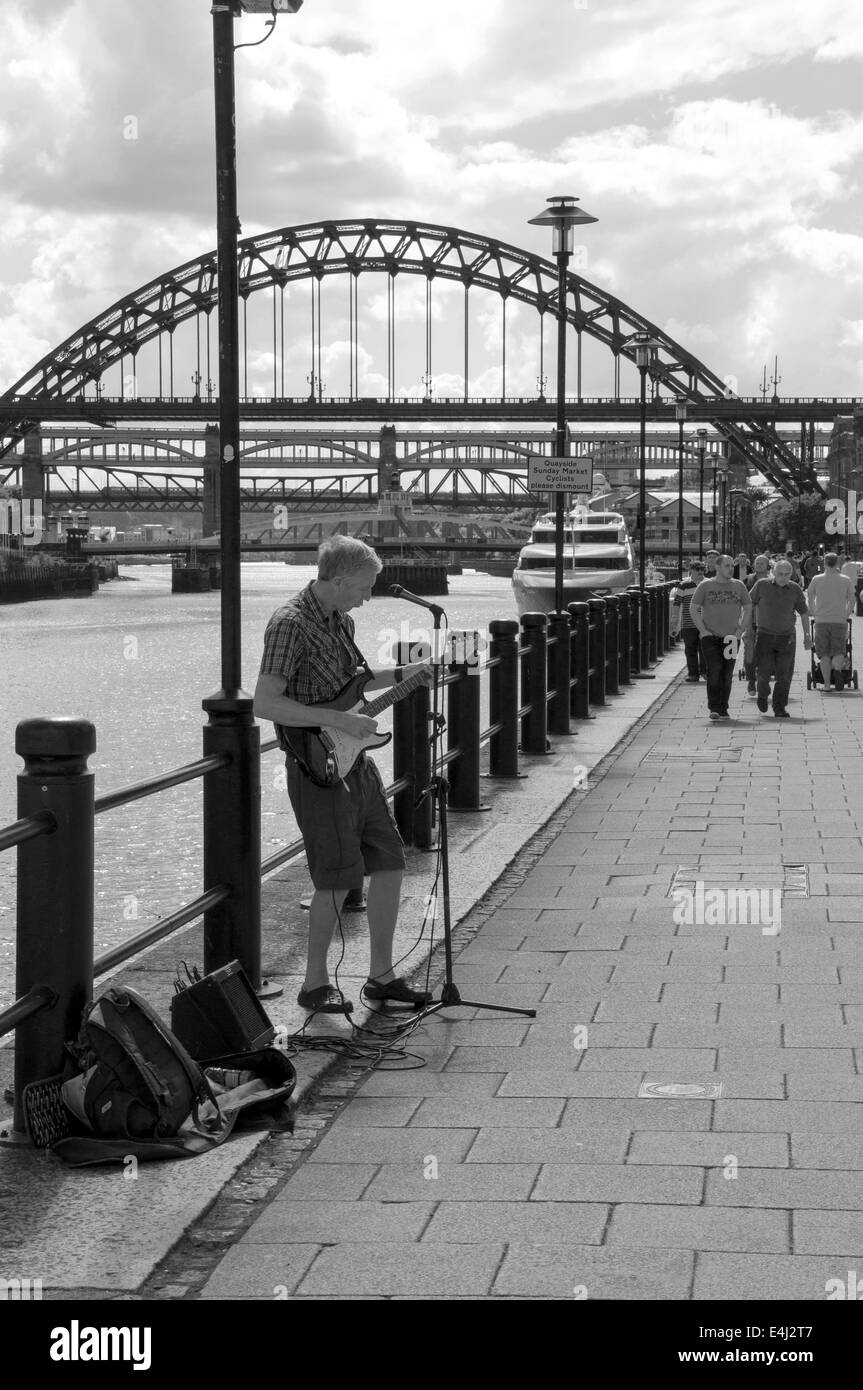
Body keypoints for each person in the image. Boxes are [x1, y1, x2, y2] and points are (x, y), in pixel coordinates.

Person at [253, 535, 435, 1013]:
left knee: (391, 860)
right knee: (334, 877)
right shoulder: (289, 624)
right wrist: (341, 721)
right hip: (319, 767)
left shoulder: (342, 620)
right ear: (337, 580)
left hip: (357, 761)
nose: (367, 596)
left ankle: (381, 976)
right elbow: (266, 703)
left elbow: (352, 685)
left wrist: (408, 672)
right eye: (363, 587)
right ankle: (314, 984)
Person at [690, 554, 751, 722]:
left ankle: (724, 708)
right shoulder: (705, 586)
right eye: (727, 565)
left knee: (727, 672)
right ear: (717, 567)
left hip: (732, 638)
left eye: (732, 565)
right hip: (710, 637)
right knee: (715, 669)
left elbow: (748, 606)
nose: (731, 568)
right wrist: (703, 630)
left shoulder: (739, 586)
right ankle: (714, 707)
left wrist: (741, 629)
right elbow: (693, 608)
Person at [748, 559, 811, 718]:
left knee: (784, 675)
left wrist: (807, 635)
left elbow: (804, 613)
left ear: (792, 574)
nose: (783, 577)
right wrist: (747, 629)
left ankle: (779, 707)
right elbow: (748, 605)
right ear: (774, 573)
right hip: (764, 635)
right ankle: (763, 693)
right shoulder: (762, 585)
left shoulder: (795, 589)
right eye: (780, 574)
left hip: (787, 637)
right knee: (763, 672)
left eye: (787, 574)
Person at [807, 552, 855, 692]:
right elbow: (852, 599)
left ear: (824, 563)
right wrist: (846, 613)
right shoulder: (845, 579)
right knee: (839, 650)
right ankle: (838, 669)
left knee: (824, 654)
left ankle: (827, 684)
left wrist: (814, 612)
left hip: (822, 620)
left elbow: (810, 596)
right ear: (838, 563)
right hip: (839, 620)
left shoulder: (817, 579)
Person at [670, 559, 706, 681]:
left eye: (702, 570)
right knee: (690, 649)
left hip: (705, 623)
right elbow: (677, 603)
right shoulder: (684, 585)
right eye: (697, 570)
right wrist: (674, 621)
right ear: (691, 570)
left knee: (705, 649)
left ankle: (705, 672)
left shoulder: (708, 583)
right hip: (688, 623)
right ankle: (693, 674)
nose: (700, 572)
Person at [742, 554, 769, 694]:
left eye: (762, 563)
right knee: (750, 654)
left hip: (768, 624)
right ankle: (751, 681)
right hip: (751, 622)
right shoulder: (747, 580)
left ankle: (763, 682)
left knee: (766, 655)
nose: (759, 565)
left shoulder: (773, 581)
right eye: (757, 563)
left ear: (767, 565)